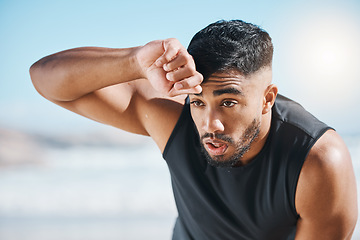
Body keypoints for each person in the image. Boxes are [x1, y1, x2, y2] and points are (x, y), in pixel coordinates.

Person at [30, 20, 357, 239]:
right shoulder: (173, 117)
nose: (209, 125)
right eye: (198, 102)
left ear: (267, 99)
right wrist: (134, 61)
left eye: (228, 102)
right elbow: (45, 80)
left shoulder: (317, 162)